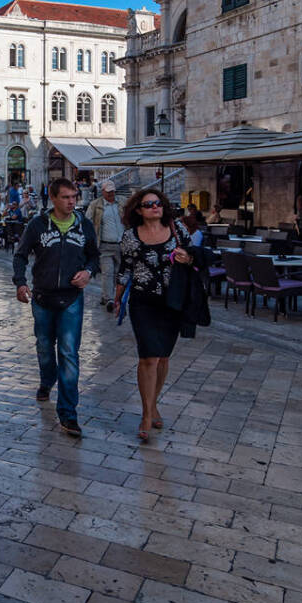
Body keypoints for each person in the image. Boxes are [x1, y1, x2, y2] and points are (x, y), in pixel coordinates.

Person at [13, 177, 100, 436]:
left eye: (74, 197)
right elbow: (20, 255)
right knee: (44, 346)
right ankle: (46, 380)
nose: (71, 202)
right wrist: (20, 283)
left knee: (69, 353)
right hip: (42, 297)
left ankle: (68, 414)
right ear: (53, 198)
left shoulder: (83, 225)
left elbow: (94, 256)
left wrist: (88, 271)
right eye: (66, 197)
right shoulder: (37, 225)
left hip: (71, 298)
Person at [114, 188, 195, 443]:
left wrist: (187, 258)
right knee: (149, 356)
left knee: (163, 358)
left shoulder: (177, 230)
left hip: (173, 301)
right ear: (138, 210)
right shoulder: (130, 236)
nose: (155, 207)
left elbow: (195, 256)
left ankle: (153, 404)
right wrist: (117, 297)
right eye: (148, 204)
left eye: (158, 203)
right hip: (143, 302)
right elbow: (125, 268)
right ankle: (147, 414)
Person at [86, 179, 127, 312]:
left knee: (118, 273)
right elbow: (87, 222)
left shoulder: (122, 202)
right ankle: (108, 298)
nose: (111, 194)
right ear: (102, 191)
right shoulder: (95, 205)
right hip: (104, 245)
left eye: (112, 191)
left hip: (121, 245)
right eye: (108, 192)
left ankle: (115, 296)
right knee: (107, 272)